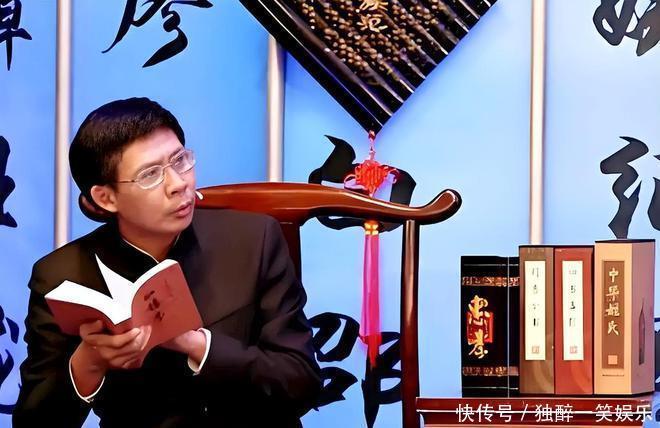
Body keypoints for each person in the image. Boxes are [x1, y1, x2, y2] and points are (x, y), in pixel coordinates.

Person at [12, 97, 321, 428]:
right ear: (106, 197)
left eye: (180, 160)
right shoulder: (61, 277)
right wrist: (89, 363)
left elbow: (302, 381)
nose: (178, 184)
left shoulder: (253, 239)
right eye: (150, 175)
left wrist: (197, 345)